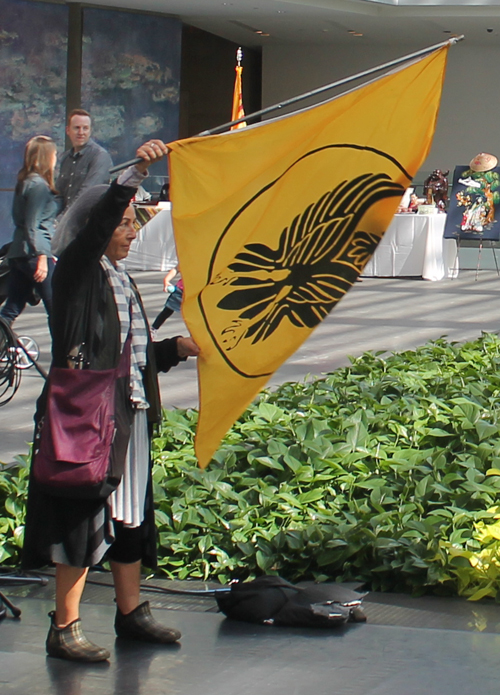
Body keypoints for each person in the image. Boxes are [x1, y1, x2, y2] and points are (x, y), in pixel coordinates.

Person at [22, 140, 200, 663]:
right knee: (82, 518)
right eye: (124, 223)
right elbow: (97, 223)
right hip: (87, 421)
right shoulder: (77, 272)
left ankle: (130, 612)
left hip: (127, 416)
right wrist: (137, 171)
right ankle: (65, 626)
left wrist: (173, 350)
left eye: (132, 223)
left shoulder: (120, 278)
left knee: (130, 517)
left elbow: (128, 353)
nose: (130, 231)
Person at [0, 135, 59, 326]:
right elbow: (34, 224)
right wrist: (42, 256)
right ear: (46, 157)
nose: (56, 157)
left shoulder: (24, 182)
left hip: (18, 253)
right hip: (34, 254)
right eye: (54, 154)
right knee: (56, 309)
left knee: (12, 308)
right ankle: (62, 354)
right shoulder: (39, 186)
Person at [56, 109, 113, 212]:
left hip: (87, 221)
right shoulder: (65, 158)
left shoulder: (99, 156)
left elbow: (86, 195)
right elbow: (59, 195)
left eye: (85, 128)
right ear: (68, 130)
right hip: (65, 222)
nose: (81, 132)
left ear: (90, 131)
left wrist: (61, 220)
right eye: (76, 128)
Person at [151, 265, 183, 332]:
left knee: (195, 317)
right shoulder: (188, 258)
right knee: (167, 311)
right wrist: (166, 280)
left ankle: (195, 338)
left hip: (196, 294)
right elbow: (176, 269)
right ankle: (153, 330)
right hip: (180, 291)